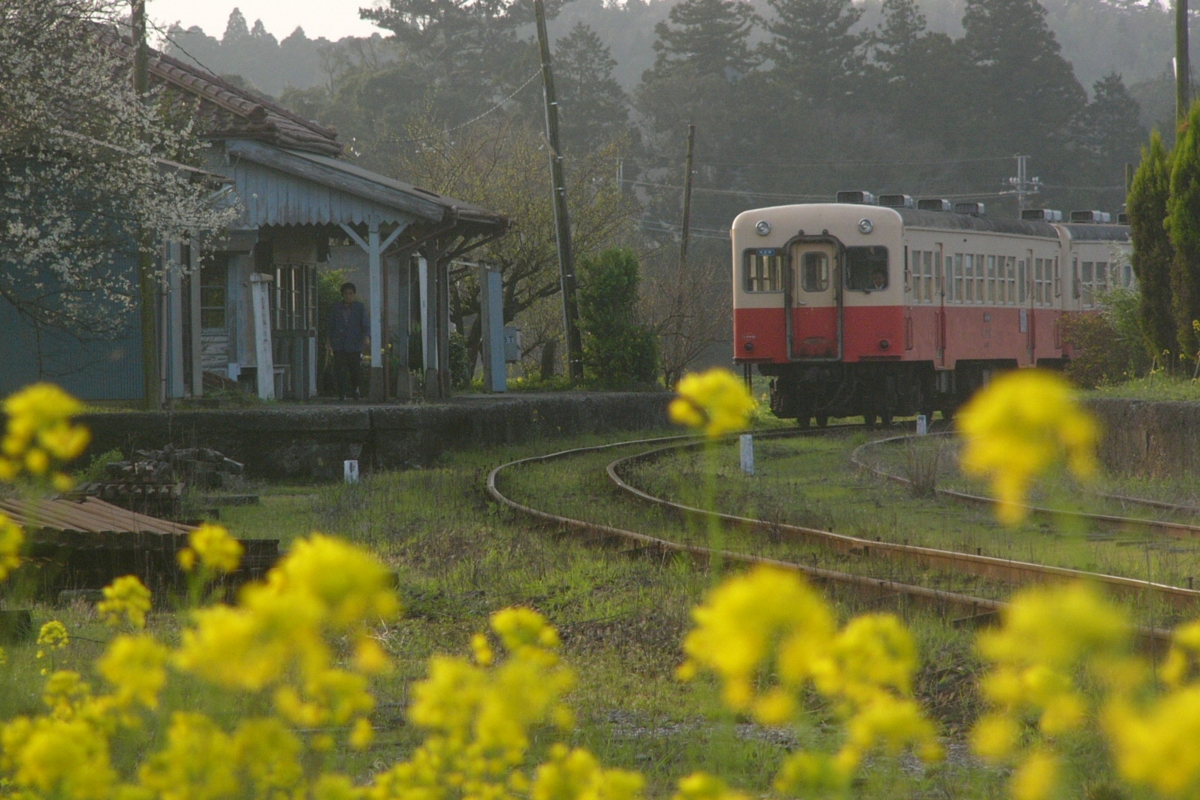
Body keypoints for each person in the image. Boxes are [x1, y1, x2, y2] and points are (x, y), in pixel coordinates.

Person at [328, 282, 369, 400]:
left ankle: (356, 390)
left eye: (351, 294)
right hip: (339, 344)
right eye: (346, 294)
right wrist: (329, 340)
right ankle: (342, 393)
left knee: (355, 370)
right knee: (340, 370)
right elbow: (330, 325)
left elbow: (365, 324)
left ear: (354, 294)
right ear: (342, 295)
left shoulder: (359, 307)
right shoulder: (336, 307)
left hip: (354, 344)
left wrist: (367, 336)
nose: (348, 296)